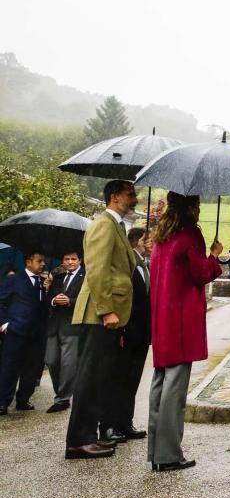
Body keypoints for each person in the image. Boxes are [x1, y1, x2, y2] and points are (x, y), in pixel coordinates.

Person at [147, 192, 223, 472]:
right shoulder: (190, 235)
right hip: (182, 320)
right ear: (190, 208)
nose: (200, 211)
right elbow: (200, 274)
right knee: (175, 390)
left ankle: (156, 451)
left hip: (162, 318)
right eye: (198, 206)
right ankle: (168, 454)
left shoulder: (162, 237)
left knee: (160, 383)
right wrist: (214, 256)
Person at [66, 179, 138, 460]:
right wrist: (107, 310)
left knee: (99, 377)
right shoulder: (103, 225)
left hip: (108, 315)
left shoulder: (117, 225)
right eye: (130, 195)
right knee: (89, 378)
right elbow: (96, 270)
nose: (134, 199)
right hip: (98, 314)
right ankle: (78, 440)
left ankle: (88, 436)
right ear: (114, 197)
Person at [101, 227, 151, 443]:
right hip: (127, 330)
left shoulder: (144, 264)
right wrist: (120, 328)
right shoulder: (127, 263)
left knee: (133, 378)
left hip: (142, 332)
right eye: (147, 239)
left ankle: (125, 422)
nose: (151, 243)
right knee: (117, 379)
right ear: (137, 241)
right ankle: (110, 424)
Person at [0, 250, 49, 416]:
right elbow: (2, 302)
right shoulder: (13, 280)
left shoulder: (44, 282)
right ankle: (3, 402)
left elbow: (44, 307)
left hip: (36, 334)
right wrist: (5, 324)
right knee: (9, 367)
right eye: (39, 261)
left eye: (44, 261)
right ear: (28, 262)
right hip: (16, 331)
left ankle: (23, 400)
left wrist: (47, 291)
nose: (43, 264)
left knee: (31, 368)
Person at [44, 250, 85, 413]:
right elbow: (48, 299)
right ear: (62, 261)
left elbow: (87, 300)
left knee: (68, 363)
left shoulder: (85, 278)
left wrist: (70, 301)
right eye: (66, 259)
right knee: (51, 360)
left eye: (73, 259)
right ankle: (60, 392)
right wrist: (54, 299)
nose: (70, 262)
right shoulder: (58, 278)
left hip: (73, 326)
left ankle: (63, 398)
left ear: (79, 261)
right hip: (54, 325)